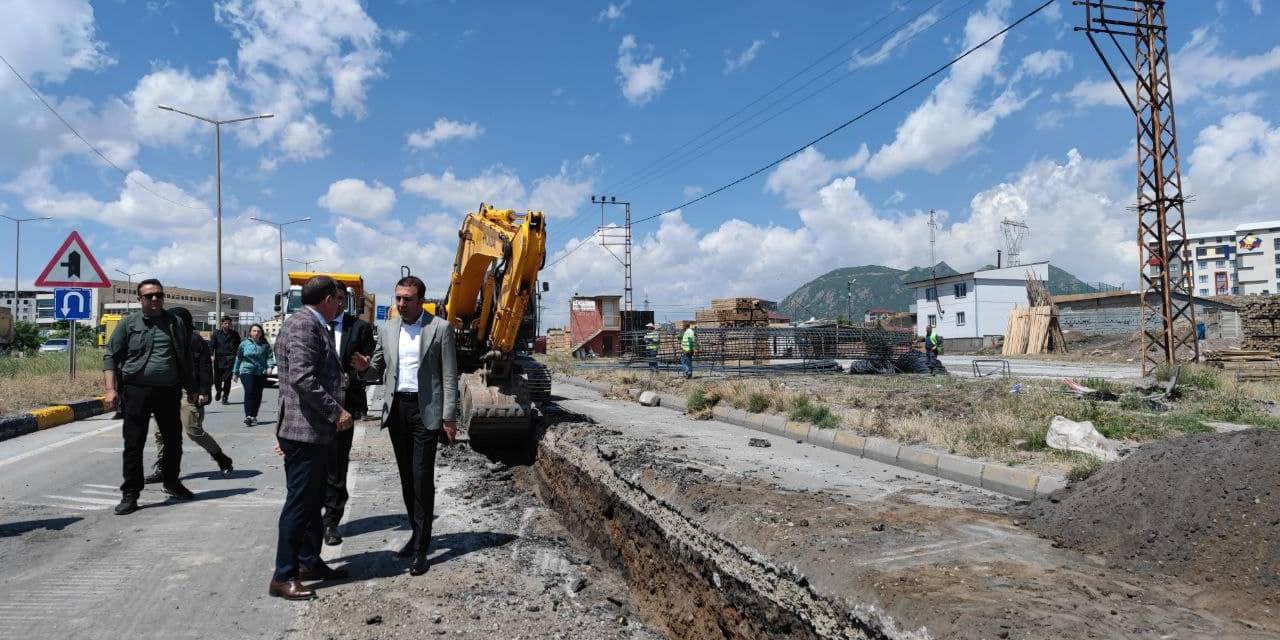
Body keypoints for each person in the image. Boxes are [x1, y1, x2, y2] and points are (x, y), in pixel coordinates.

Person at [351, 275, 458, 577]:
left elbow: (449, 376)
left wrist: (449, 417)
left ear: (420, 299)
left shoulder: (440, 329)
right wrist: (363, 368)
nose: (400, 303)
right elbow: (377, 369)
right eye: (397, 297)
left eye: (407, 298)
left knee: (422, 476)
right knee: (407, 479)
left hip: (427, 411)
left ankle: (422, 549)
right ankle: (416, 534)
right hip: (397, 409)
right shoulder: (388, 328)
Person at [270, 275, 354, 601]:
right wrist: (337, 412)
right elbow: (303, 377)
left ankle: (308, 562)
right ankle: (283, 576)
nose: (340, 305)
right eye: (338, 299)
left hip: (314, 431)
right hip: (304, 430)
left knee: (312, 501)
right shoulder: (305, 325)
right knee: (299, 504)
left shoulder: (313, 323)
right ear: (327, 298)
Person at [103, 279, 199, 515]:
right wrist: (110, 389)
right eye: (149, 296)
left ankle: (172, 482)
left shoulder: (175, 322)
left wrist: (193, 387)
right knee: (134, 443)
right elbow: (110, 356)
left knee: (173, 440)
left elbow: (184, 357)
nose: (155, 299)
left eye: (159, 295)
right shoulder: (128, 324)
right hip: (136, 391)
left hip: (169, 391)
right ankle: (130, 494)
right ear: (140, 300)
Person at [144, 307, 233, 483]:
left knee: (193, 430)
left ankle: (220, 457)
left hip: (189, 391)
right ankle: (163, 467)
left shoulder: (195, 340)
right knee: (160, 432)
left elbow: (205, 368)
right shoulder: (163, 338)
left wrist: (204, 392)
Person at [321, 307, 376, 546]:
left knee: (337, 464)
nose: (335, 302)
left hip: (345, 407)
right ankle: (313, 518)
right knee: (316, 466)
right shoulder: (313, 324)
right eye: (332, 298)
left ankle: (331, 521)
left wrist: (364, 366)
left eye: (340, 298)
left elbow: (371, 363)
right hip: (315, 407)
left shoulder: (359, 327)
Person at [233, 324, 275, 426]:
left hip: (261, 372)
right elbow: (238, 358)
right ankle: (248, 416)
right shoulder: (244, 344)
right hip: (246, 371)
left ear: (261, 333)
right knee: (249, 391)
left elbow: (269, 357)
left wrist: (269, 367)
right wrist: (235, 372)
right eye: (254, 331)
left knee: (258, 393)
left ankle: (254, 415)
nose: (256, 333)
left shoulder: (265, 345)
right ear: (250, 333)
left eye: (258, 331)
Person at [211, 316, 241, 404]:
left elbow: (239, 346)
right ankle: (219, 391)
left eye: (229, 323)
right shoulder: (216, 333)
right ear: (222, 324)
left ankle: (225, 396)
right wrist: (211, 355)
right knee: (217, 379)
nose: (227, 325)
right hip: (219, 359)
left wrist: (238, 356)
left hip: (230, 359)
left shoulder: (235, 334)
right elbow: (212, 344)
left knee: (227, 379)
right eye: (225, 323)